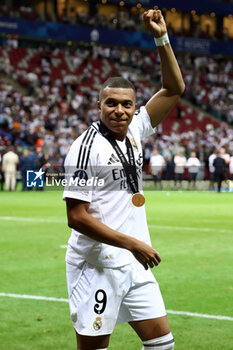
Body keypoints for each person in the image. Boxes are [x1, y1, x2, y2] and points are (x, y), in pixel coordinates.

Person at [63, 9, 184, 350]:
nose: (120, 110)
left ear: (134, 109)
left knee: (162, 345)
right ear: (98, 106)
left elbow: (174, 89)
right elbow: (76, 217)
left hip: (133, 263)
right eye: (111, 104)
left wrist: (161, 37)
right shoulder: (85, 148)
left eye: (127, 105)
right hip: (97, 264)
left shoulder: (135, 131)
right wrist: (133, 243)